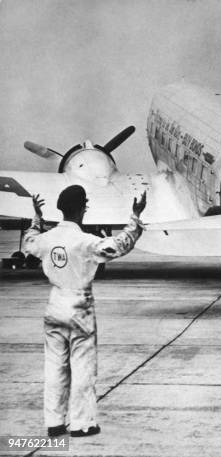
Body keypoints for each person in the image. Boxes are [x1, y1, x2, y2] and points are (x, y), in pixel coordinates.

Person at [23, 185, 146, 438]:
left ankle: (55, 423)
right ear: (82, 209)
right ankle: (82, 423)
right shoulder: (85, 241)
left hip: (54, 303)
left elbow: (29, 242)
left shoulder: (46, 239)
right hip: (79, 305)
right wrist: (135, 217)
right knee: (83, 367)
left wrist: (36, 217)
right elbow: (119, 246)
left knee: (54, 365)